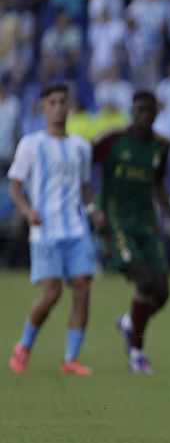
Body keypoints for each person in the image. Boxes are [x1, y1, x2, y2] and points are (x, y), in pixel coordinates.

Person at [7, 83, 105, 375]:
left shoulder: (81, 146)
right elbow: (14, 187)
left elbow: (84, 188)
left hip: (76, 230)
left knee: (83, 290)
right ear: (43, 108)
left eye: (64, 102)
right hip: (45, 230)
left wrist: (92, 211)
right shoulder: (31, 144)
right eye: (53, 102)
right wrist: (27, 212)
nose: (60, 107)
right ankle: (23, 346)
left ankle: (70, 358)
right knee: (52, 293)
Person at [92, 90, 170, 374]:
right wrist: (88, 204)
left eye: (150, 111)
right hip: (116, 223)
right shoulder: (112, 140)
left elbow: (158, 184)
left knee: (162, 293)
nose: (145, 115)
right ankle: (137, 352)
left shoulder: (161, 147)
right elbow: (82, 162)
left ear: (156, 114)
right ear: (132, 112)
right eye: (139, 110)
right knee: (145, 282)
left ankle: (129, 324)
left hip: (145, 224)